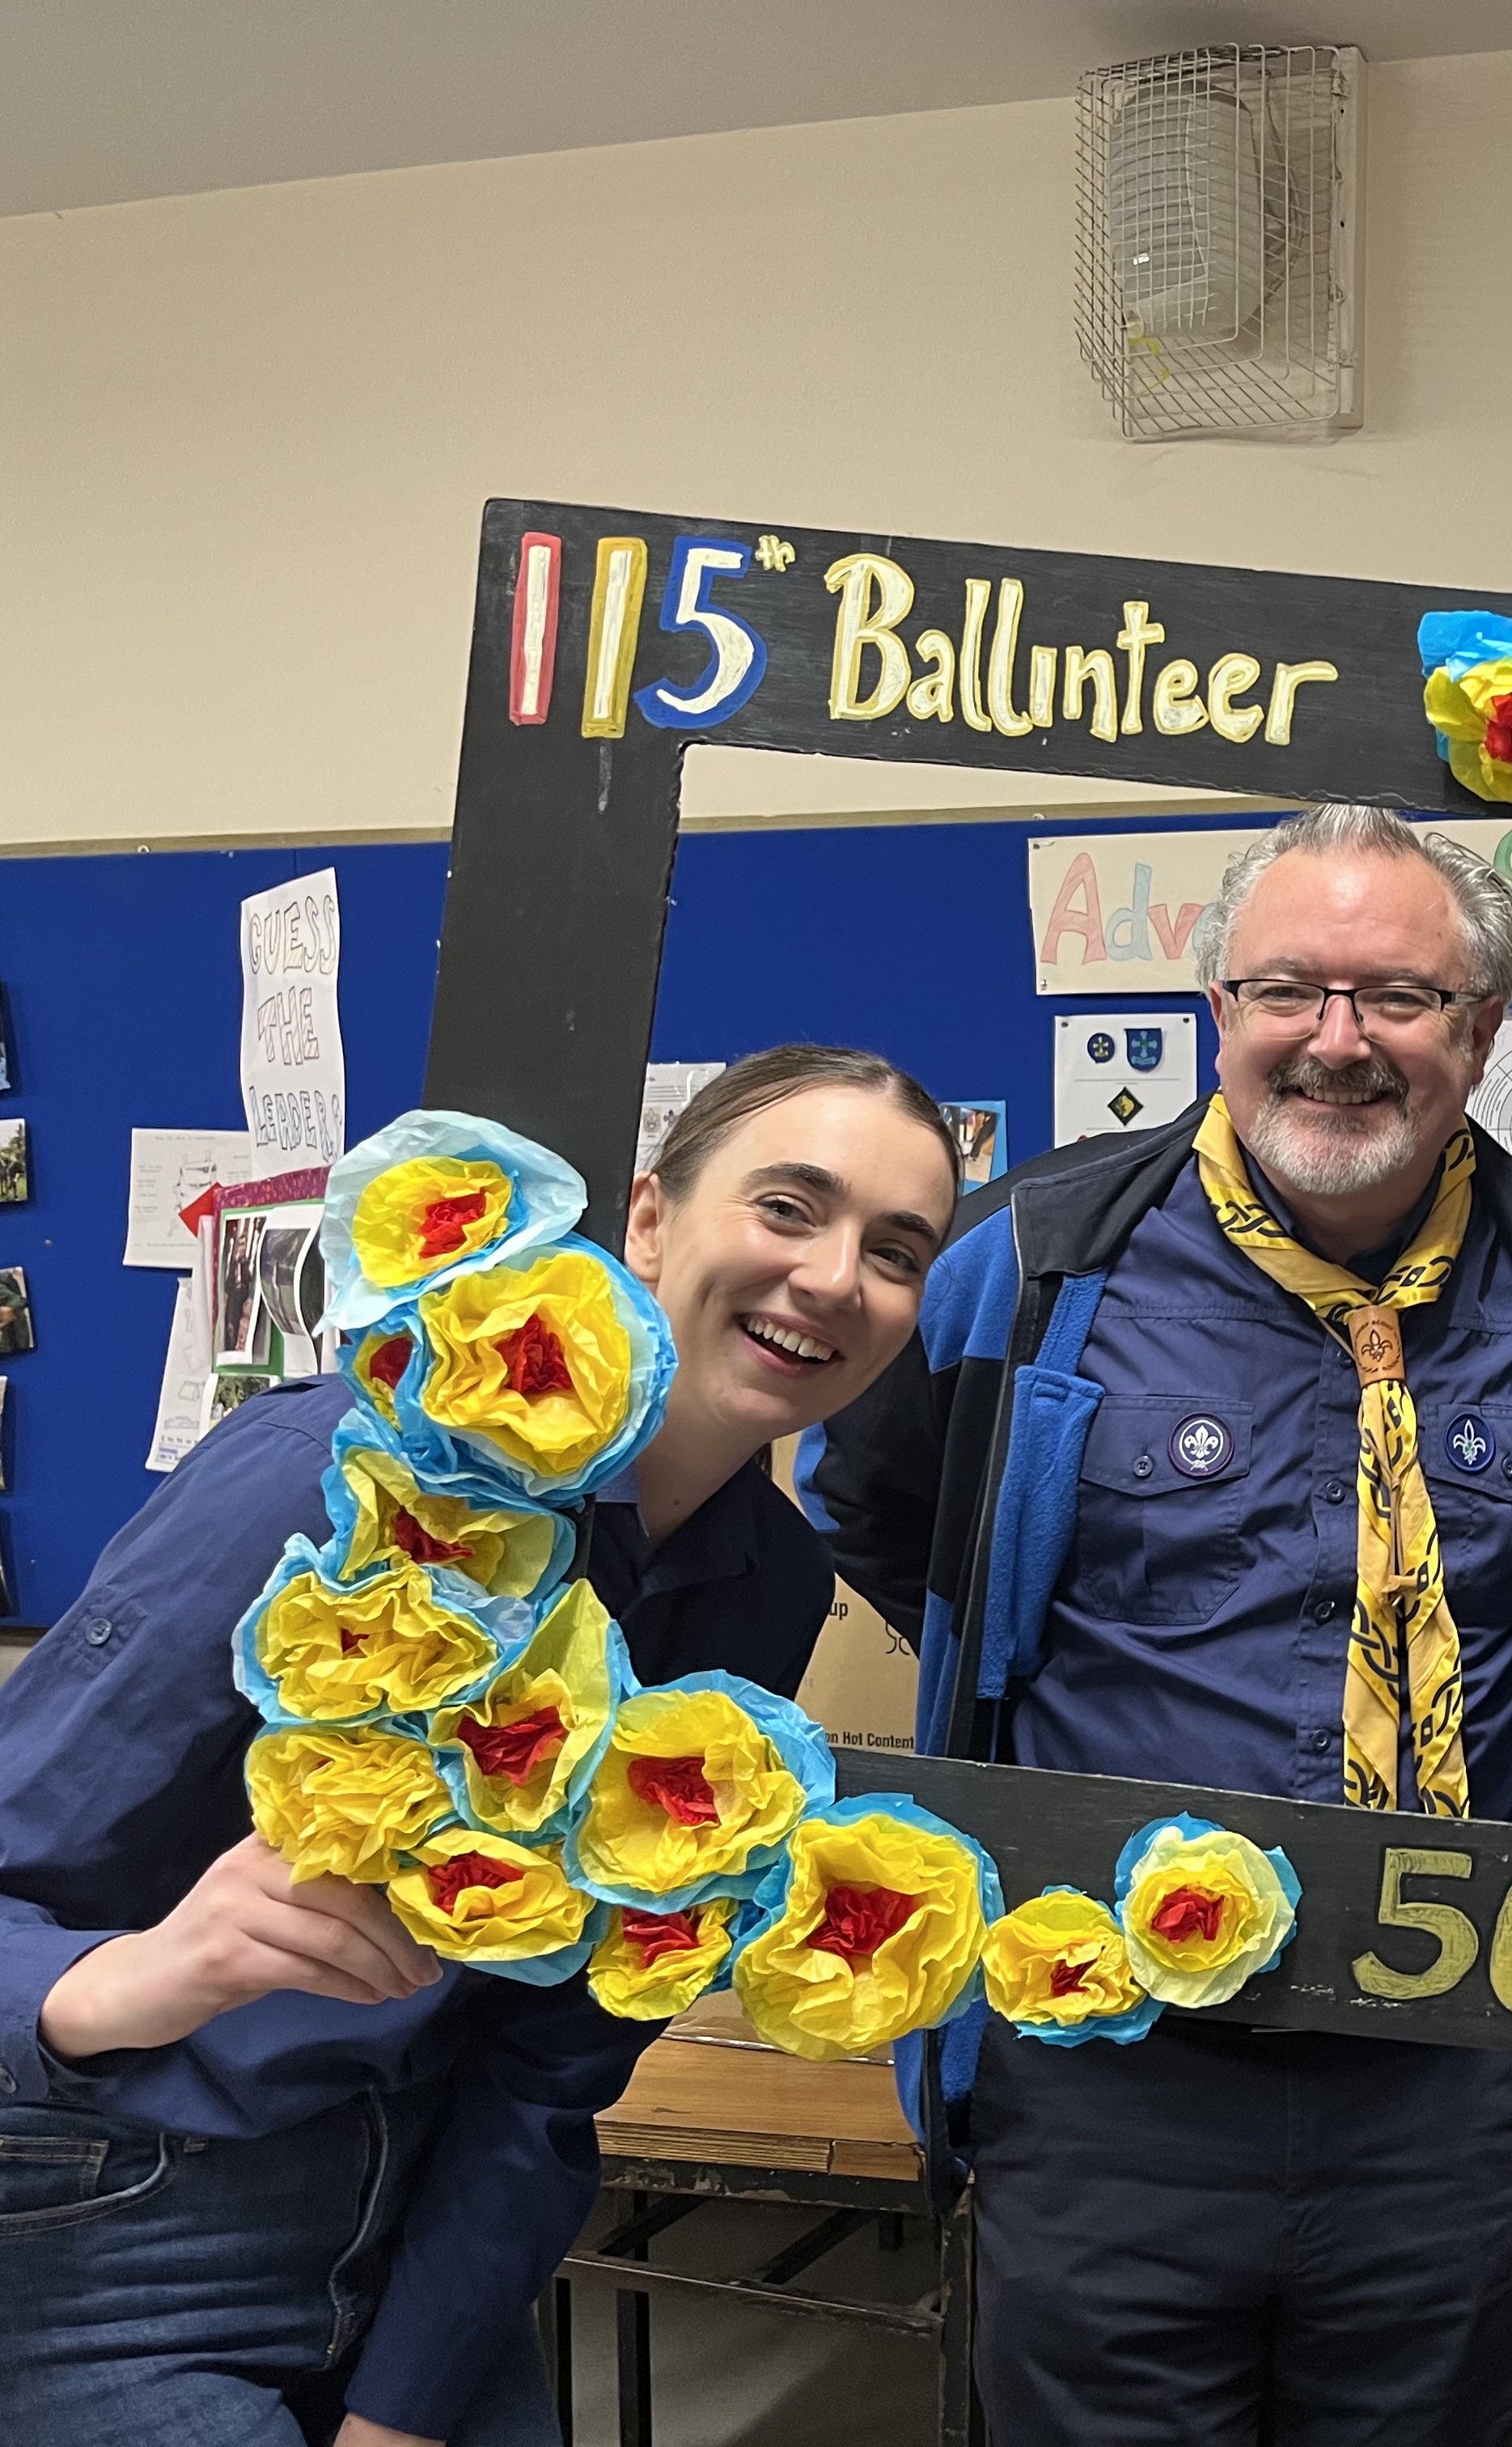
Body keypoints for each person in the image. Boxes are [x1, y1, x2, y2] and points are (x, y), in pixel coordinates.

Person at [811, 804, 1512, 2447]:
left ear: (1480, 1030)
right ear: (1220, 1011)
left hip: (1452, 2074)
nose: (1335, 1041)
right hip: (1105, 2067)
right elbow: (885, 1524)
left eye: (1397, 999)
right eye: (1289, 989)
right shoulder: (1034, 1263)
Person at [0, 1045, 959, 2447]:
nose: (833, 1279)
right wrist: (113, 1982)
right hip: (110, 2200)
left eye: (897, 1250)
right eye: (789, 1207)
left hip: (410, 2214)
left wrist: (409, 2404)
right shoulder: (349, 1466)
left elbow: (558, 2058)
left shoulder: (765, 1582)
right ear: (645, 1219)